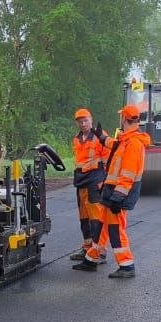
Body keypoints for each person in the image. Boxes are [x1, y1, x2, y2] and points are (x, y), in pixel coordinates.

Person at [73, 103, 148, 278]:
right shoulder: (126, 140)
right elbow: (113, 145)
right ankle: (92, 259)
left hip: (118, 195)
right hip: (111, 191)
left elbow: (128, 174)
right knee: (102, 227)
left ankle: (127, 266)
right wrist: (100, 136)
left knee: (116, 229)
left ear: (124, 119)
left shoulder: (134, 143)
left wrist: (118, 196)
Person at [69, 107, 110, 263]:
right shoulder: (77, 139)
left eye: (85, 121)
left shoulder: (100, 136)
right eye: (80, 122)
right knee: (84, 216)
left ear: (91, 120)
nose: (83, 124)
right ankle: (87, 248)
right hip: (81, 180)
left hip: (95, 179)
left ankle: (99, 251)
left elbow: (107, 159)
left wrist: (106, 180)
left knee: (96, 216)